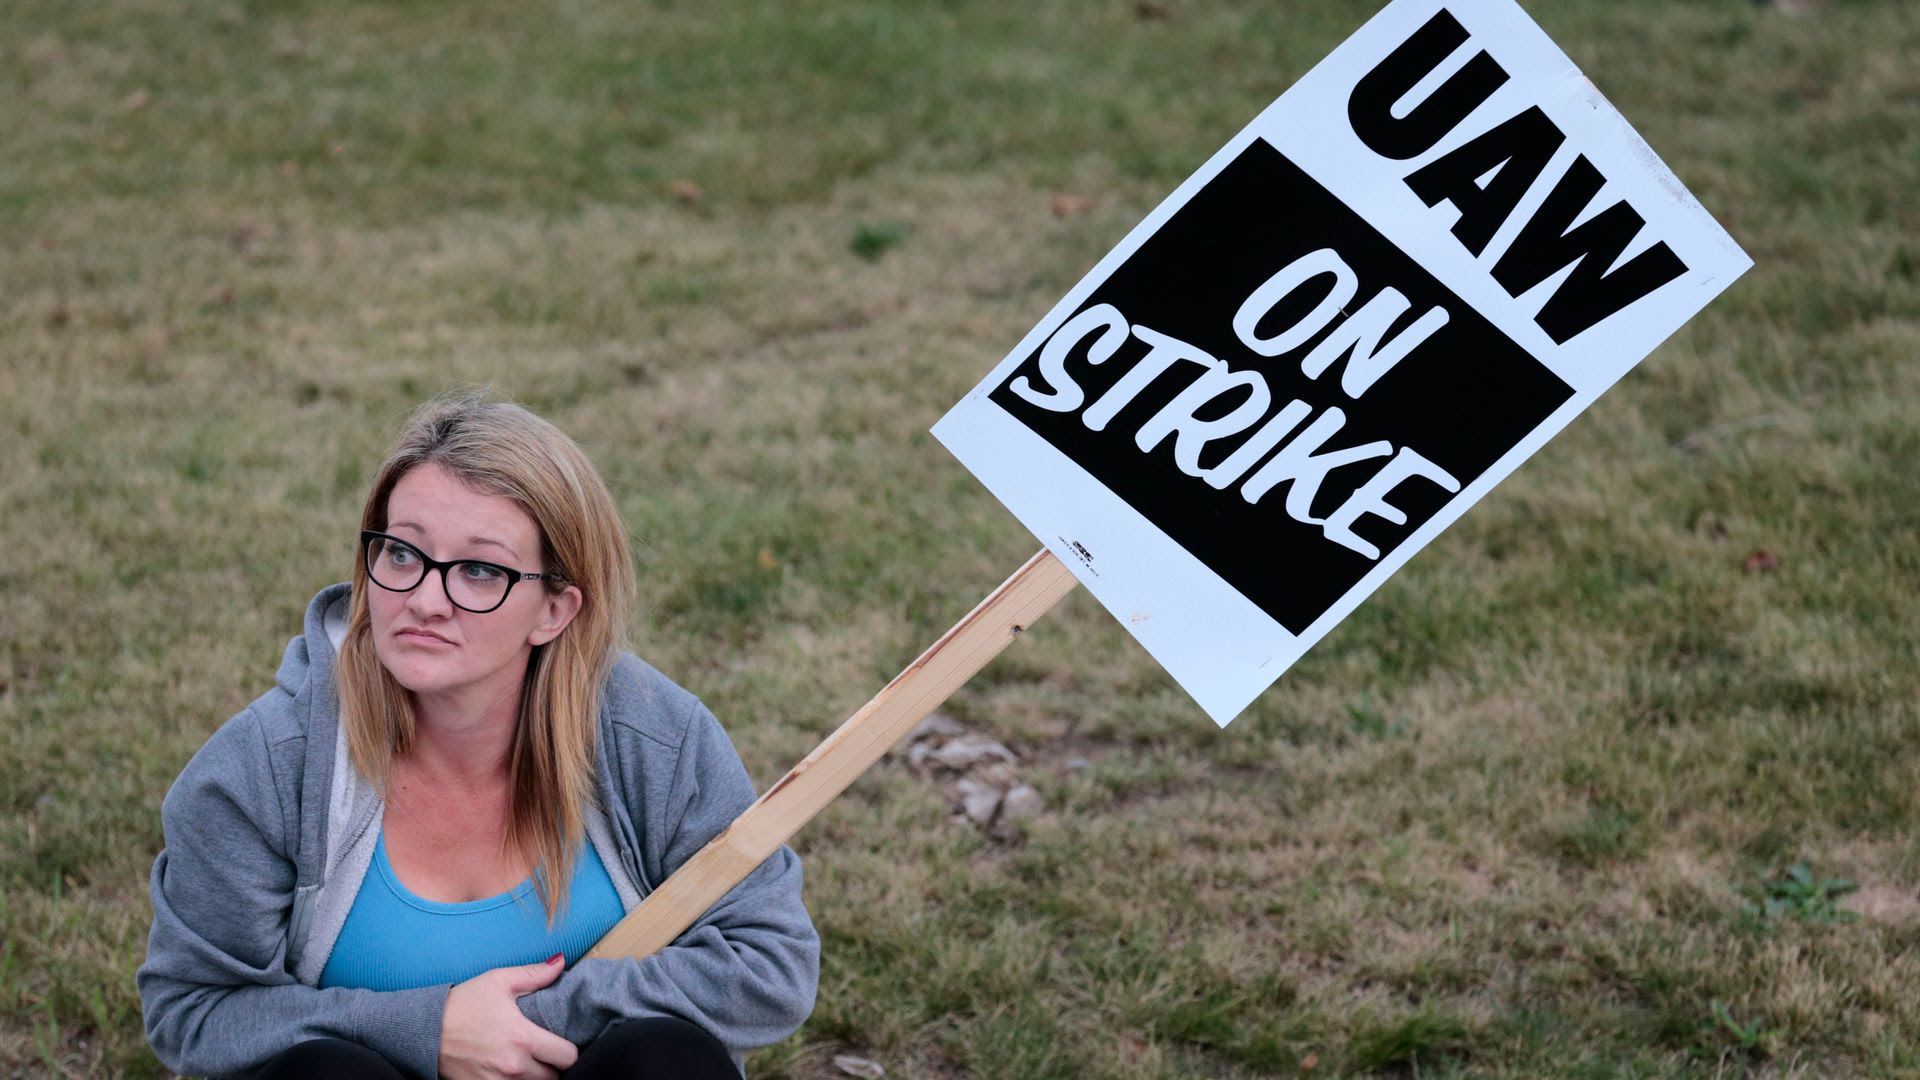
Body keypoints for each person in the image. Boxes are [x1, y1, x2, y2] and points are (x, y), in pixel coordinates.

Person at [137, 392, 819, 1079]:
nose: (425, 600)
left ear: (554, 608)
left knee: (666, 1059)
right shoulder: (260, 770)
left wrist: (530, 1021)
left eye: (480, 570)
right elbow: (193, 1007)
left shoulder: (653, 738)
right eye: (403, 554)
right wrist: (427, 1030)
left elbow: (769, 961)